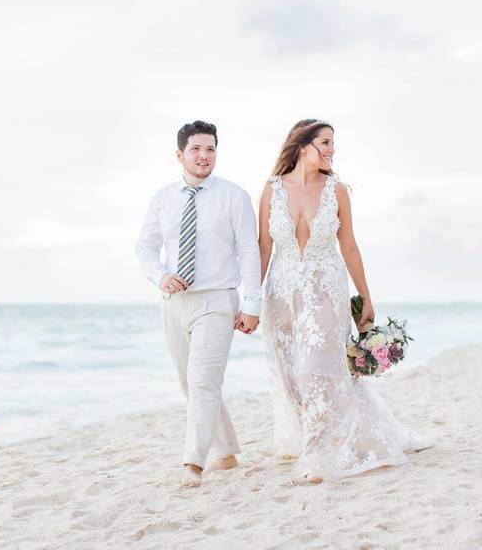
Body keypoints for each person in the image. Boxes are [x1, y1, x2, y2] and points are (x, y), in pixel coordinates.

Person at [258, 119, 432, 483]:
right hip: (281, 293)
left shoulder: (336, 190)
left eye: (332, 143)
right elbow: (264, 247)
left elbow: (348, 245)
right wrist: (248, 301)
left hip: (325, 288)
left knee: (319, 369)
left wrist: (365, 297)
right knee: (292, 376)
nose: (331, 149)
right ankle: (317, 434)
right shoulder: (272, 190)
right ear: (302, 146)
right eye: (325, 142)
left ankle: (316, 455)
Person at [135, 120, 262, 488]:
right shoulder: (162, 198)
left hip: (218, 300)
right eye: (196, 149)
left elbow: (249, 251)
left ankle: (193, 462)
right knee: (190, 384)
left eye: (210, 149)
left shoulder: (234, 196)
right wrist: (159, 274)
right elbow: (145, 246)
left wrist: (252, 304)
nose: (204, 156)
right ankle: (227, 452)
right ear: (180, 154)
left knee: (204, 381)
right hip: (174, 301)